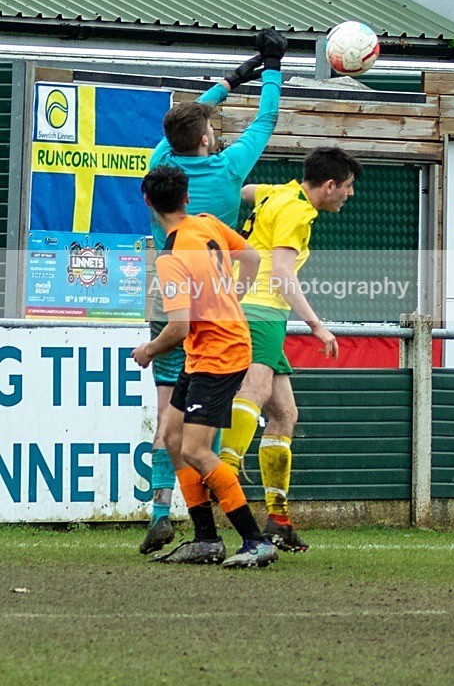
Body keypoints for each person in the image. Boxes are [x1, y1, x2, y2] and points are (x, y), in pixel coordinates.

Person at [141, 29, 287, 556]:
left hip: (170, 302)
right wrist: (270, 68)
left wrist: (226, 83)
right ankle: (224, 533)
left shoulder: (163, 163)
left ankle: (164, 513)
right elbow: (266, 120)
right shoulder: (227, 171)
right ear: (207, 139)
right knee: (202, 433)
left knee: (171, 420)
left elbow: (180, 122)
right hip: (220, 310)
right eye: (210, 129)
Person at [133, 166, 278, 569]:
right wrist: (233, 295)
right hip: (207, 351)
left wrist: (148, 350)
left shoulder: (171, 258)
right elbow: (250, 257)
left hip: (219, 354)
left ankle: (254, 539)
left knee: (195, 450)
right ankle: (205, 540)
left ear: (148, 202)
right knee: (174, 437)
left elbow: (178, 327)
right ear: (187, 198)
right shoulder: (207, 224)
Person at [220, 146, 362, 552]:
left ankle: (277, 517)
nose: (349, 195)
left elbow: (243, 190)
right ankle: (225, 471)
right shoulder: (298, 214)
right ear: (330, 185)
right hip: (261, 308)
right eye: (348, 187)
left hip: (250, 306)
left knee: (284, 413)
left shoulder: (279, 191)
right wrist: (317, 326)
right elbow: (281, 275)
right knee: (255, 390)